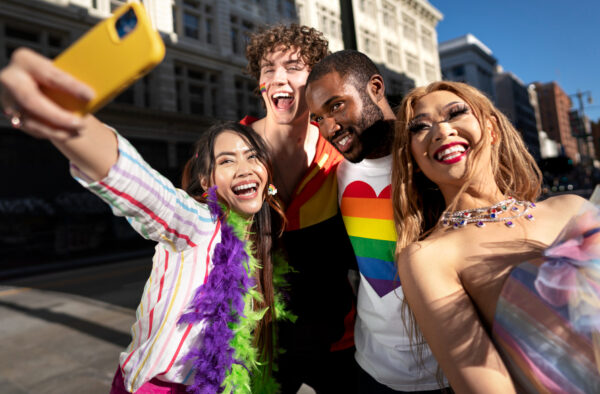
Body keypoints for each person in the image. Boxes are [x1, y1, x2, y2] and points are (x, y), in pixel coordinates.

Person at [0, 49, 292, 393]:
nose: (244, 168)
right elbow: (146, 190)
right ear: (209, 182)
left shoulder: (265, 241)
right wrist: (65, 120)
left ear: (266, 172)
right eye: (227, 161)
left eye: (252, 156)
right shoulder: (198, 225)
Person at [392, 81, 597, 392]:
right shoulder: (428, 257)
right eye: (420, 128)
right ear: (415, 162)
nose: (441, 131)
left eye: (456, 113)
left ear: (491, 130)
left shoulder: (573, 208)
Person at [305, 50, 443, 393]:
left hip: (449, 370)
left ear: (376, 88)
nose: (329, 128)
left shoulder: (434, 160)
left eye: (336, 106)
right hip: (371, 369)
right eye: (318, 119)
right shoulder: (334, 176)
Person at [244, 24, 358, 392]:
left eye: (294, 67)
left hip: (339, 339)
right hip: (258, 343)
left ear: (316, 82)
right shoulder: (227, 155)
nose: (279, 78)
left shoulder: (342, 155)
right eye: (268, 69)